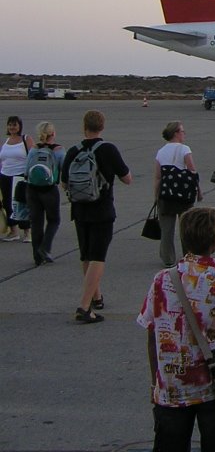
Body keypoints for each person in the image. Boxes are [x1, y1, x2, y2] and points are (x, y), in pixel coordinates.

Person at [138, 207, 215, 452]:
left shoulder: (162, 280)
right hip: (214, 387)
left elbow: (152, 334)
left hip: (170, 387)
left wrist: (155, 382)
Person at [61, 110, 132, 324]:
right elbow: (127, 178)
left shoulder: (73, 150)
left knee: (86, 255)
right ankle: (84, 306)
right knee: (98, 257)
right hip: (102, 210)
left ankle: (96, 296)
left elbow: (64, 182)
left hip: (80, 210)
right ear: (102, 126)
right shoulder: (108, 149)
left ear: (84, 126)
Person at [154, 121, 202, 268]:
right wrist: (198, 190)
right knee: (186, 226)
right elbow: (192, 171)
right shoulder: (184, 149)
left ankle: (168, 258)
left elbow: (158, 176)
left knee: (167, 229)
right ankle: (188, 256)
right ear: (176, 133)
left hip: (166, 194)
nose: (184, 134)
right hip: (183, 194)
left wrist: (156, 196)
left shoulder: (161, 151)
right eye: (182, 131)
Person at [25, 121, 64, 265]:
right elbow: (64, 168)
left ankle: (37, 255)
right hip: (49, 189)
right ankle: (45, 247)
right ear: (53, 133)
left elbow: (27, 168)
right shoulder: (58, 150)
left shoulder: (34, 149)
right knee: (54, 220)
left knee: (36, 222)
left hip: (32, 189)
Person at [1, 116, 34, 242]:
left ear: (19, 126)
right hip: (5, 175)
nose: (12, 127)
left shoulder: (25, 139)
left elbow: (33, 155)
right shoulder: (7, 141)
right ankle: (13, 231)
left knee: (21, 203)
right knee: (7, 203)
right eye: (10, 125)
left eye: (14, 125)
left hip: (20, 175)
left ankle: (27, 232)